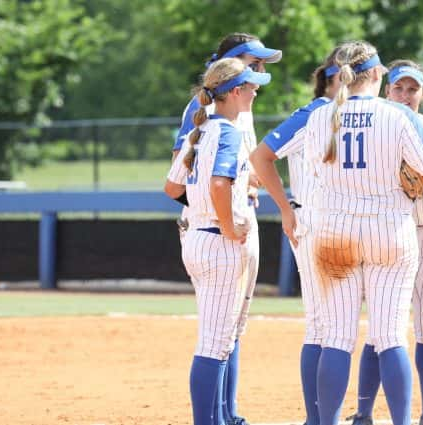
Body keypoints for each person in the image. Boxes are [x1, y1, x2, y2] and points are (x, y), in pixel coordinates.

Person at [302, 41, 423, 425]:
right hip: (389, 226)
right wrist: (406, 182)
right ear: (379, 73)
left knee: (336, 337)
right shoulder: (396, 115)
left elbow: (316, 171)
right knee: (390, 336)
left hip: (335, 230)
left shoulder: (320, 116)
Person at [169, 32, 282, 425]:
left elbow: (173, 183)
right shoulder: (211, 118)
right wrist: (223, 219)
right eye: (255, 65)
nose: (261, 72)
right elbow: (211, 183)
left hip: (212, 229)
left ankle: (227, 415)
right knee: (216, 340)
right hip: (220, 233)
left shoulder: (220, 118)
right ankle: (213, 418)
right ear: (234, 72)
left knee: (229, 330)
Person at [346, 60, 423, 425]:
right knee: (382, 328)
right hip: (389, 234)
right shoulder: (379, 124)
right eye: (398, 88)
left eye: (413, 89)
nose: (405, 96)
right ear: (386, 89)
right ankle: (363, 412)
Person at [249, 44, 346, 425]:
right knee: (325, 326)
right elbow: (261, 156)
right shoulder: (316, 113)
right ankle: (318, 418)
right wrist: (286, 209)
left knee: (326, 325)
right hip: (315, 221)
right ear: (336, 76)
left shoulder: (350, 114)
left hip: (339, 224)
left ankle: (320, 417)